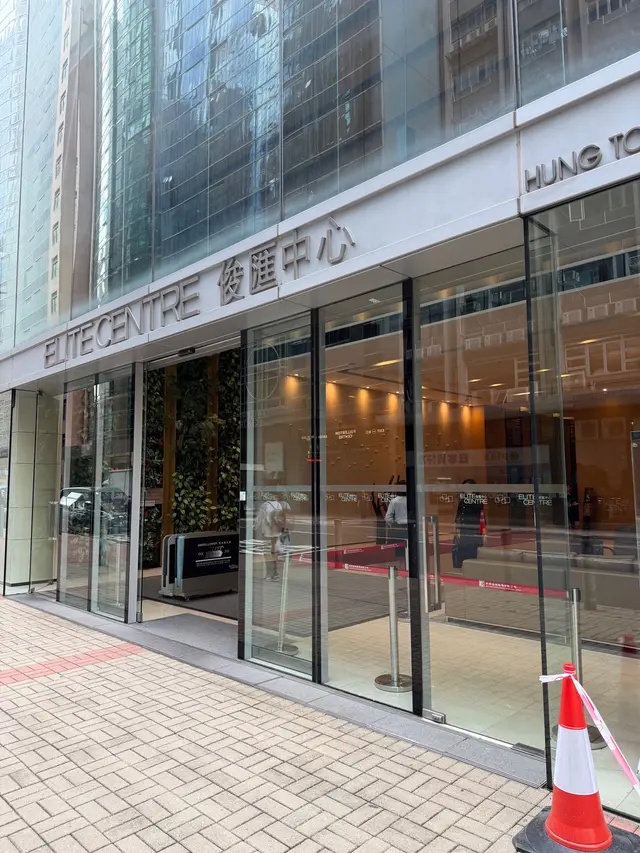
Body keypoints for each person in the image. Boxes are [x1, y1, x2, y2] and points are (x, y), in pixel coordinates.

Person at [254, 493, 290, 581]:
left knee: (267, 553)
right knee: (274, 552)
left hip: (268, 533)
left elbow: (259, 518)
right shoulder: (278, 504)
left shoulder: (265, 505)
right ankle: (275, 573)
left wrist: (254, 527)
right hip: (276, 532)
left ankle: (271, 574)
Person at [452, 478, 486, 569]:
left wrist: (484, 533)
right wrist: (455, 530)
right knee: (462, 553)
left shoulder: (477, 501)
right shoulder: (462, 501)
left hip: (473, 531)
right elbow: (458, 517)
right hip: (463, 531)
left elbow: (482, 518)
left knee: (472, 553)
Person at [385, 480, 408, 552]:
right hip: (410, 527)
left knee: (399, 551)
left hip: (398, 528)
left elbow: (388, 518)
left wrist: (392, 525)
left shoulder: (394, 501)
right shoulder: (412, 500)